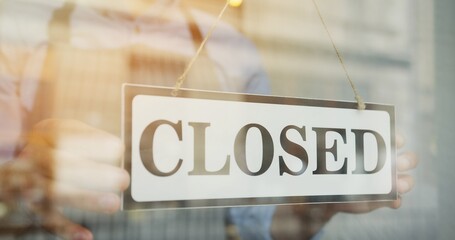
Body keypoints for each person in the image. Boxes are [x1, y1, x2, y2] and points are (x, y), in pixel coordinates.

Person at [0, 0, 418, 239]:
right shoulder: (19, 24)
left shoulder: (230, 47)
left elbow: (254, 217)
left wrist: (316, 203)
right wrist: (18, 180)